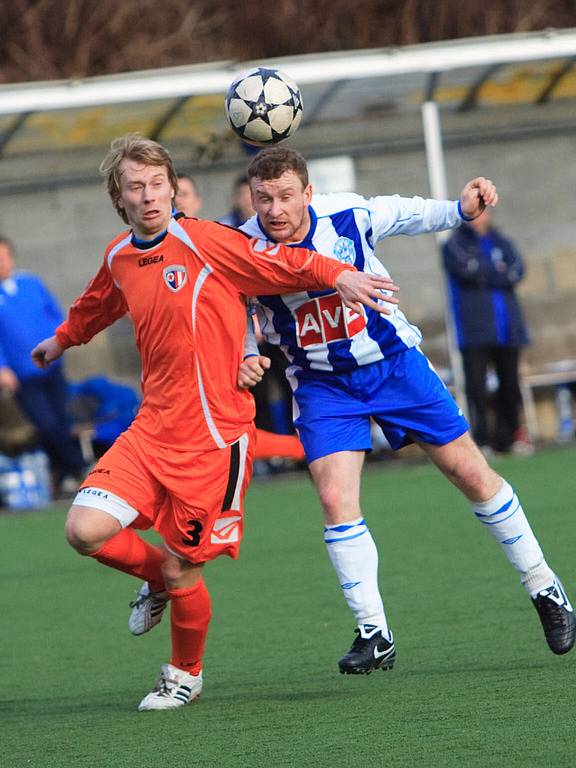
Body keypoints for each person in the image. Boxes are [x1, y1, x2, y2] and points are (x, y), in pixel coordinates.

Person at [31, 133, 399, 711]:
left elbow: (281, 262)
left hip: (214, 439)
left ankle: (185, 673)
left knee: (183, 568)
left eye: (159, 184)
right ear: (119, 197)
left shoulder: (205, 241)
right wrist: (60, 340)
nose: (151, 196)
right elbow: (98, 303)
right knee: (84, 531)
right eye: (137, 187)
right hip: (150, 429)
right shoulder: (118, 256)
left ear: (173, 189)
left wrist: (338, 274)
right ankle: (152, 579)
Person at [238, 147, 575, 674]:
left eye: (285, 196)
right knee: (333, 495)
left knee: (471, 473)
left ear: (307, 193)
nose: (275, 209)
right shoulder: (244, 247)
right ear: (252, 198)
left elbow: (404, 211)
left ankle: (543, 585)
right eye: (264, 199)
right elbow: (234, 304)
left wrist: (459, 210)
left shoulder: (344, 215)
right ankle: (374, 630)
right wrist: (246, 352)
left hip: (393, 366)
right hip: (323, 386)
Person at [442, 209, 531, 454]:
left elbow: (517, 270)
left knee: (510, 384)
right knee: (476, 388)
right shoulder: (454, 244)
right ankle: (481, 440)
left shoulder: (503, 242)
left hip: (508, 329)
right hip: (474, 332)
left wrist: (485, 272)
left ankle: (510, 436)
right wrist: (496, 270)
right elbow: (466, 270)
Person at [0, 235, 85, 489]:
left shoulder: (30, 283)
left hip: (51, 365)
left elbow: (54, 314)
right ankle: (78, 467)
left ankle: (64, 474)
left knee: (62, 419)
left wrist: (61, 340)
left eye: (4, 257)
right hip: (23, 373)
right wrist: (3, 367)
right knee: (45, 424)